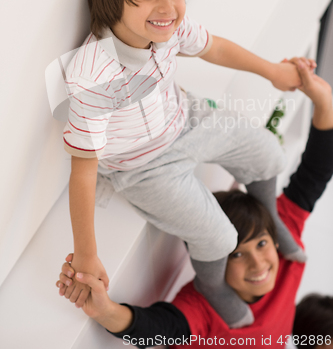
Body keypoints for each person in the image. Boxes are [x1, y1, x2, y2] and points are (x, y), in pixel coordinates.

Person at [62, 0, 312, 327]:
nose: (168, 7)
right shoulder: (95, 73)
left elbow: (212, 46)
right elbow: (83, 169)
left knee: (269, 151)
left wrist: (273, 72)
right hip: (141, 165)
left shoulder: (168, 28)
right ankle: (213, 285)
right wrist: (86, 253)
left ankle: (269, 217)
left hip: (185, 118)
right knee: (220, 238)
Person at [57, 61, 333, 347]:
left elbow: (314, 176)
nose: (258, 263)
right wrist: (105, 311)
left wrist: (324, 99)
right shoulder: (204, 306)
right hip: (139, 149)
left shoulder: (287, 260)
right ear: (215, 265)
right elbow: (160, 327)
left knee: (270, 159)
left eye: (262, 244)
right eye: (237, 255)